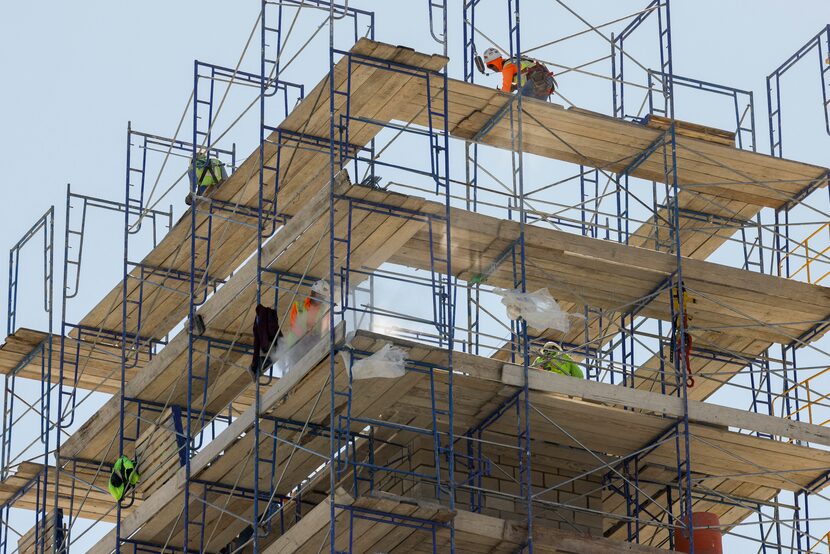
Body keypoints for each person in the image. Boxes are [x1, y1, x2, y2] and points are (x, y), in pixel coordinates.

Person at [481, 47, 556, 101]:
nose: (492, 69)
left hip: (537, 81)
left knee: (518, 104)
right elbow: (526, 76)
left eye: (491, 65)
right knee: (536, 109)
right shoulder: (513, 62)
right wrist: (515, 87)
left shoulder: (507, 66)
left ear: (496, 62)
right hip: (545, 82)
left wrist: (499, 100)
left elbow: (506, 88)